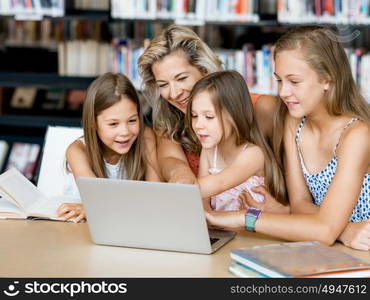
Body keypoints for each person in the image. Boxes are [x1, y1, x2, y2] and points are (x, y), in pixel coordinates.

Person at [205, 26, 370, 250]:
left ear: (327, 80)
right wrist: (344, 229)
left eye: (294, 81)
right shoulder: (295, 124)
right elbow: (300, 206)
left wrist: (245, 217)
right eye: (279, 80)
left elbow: (324, 231)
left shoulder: (356, 134)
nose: (282, 92)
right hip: (337, 245)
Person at [137, 24, 278, 185]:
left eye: (182, 78)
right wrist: (181, 175)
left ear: (204, 69)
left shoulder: (262, 107)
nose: (174, 93)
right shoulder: (169, 118)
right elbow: (170, 159)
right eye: (163, 84)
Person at [57, 73, 162, 222]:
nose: (125, 132)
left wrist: (95, 208)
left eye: (132, 120)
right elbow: (96, 201)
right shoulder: (77, 151)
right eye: (113, 124)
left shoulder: (145, 137)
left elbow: (156, 193)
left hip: (124, 222)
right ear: (93, 123)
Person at [185, 70, 287, 211]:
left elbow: (220, 182)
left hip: (252, 231)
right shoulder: (209, 151)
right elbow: (203, 200)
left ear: (234, 115)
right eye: (194, 115)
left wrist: (175, 193)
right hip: (221, 230)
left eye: (209, 116)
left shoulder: (254, 154)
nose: (198, 124)